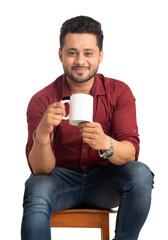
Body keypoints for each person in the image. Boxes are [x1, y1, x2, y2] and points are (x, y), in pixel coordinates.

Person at [21, 16, 154, 240]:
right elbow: (40, 170)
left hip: (104, 182)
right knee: (37, 187)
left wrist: (106, 144)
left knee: (140, 174)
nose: (80, 61)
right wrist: (43, 132)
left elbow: (131, 153)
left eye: (88, 53)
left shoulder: (119, 92)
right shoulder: (41, 100)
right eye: (72, 52)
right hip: (59, 183)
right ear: (60, 54)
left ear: (100, 55)